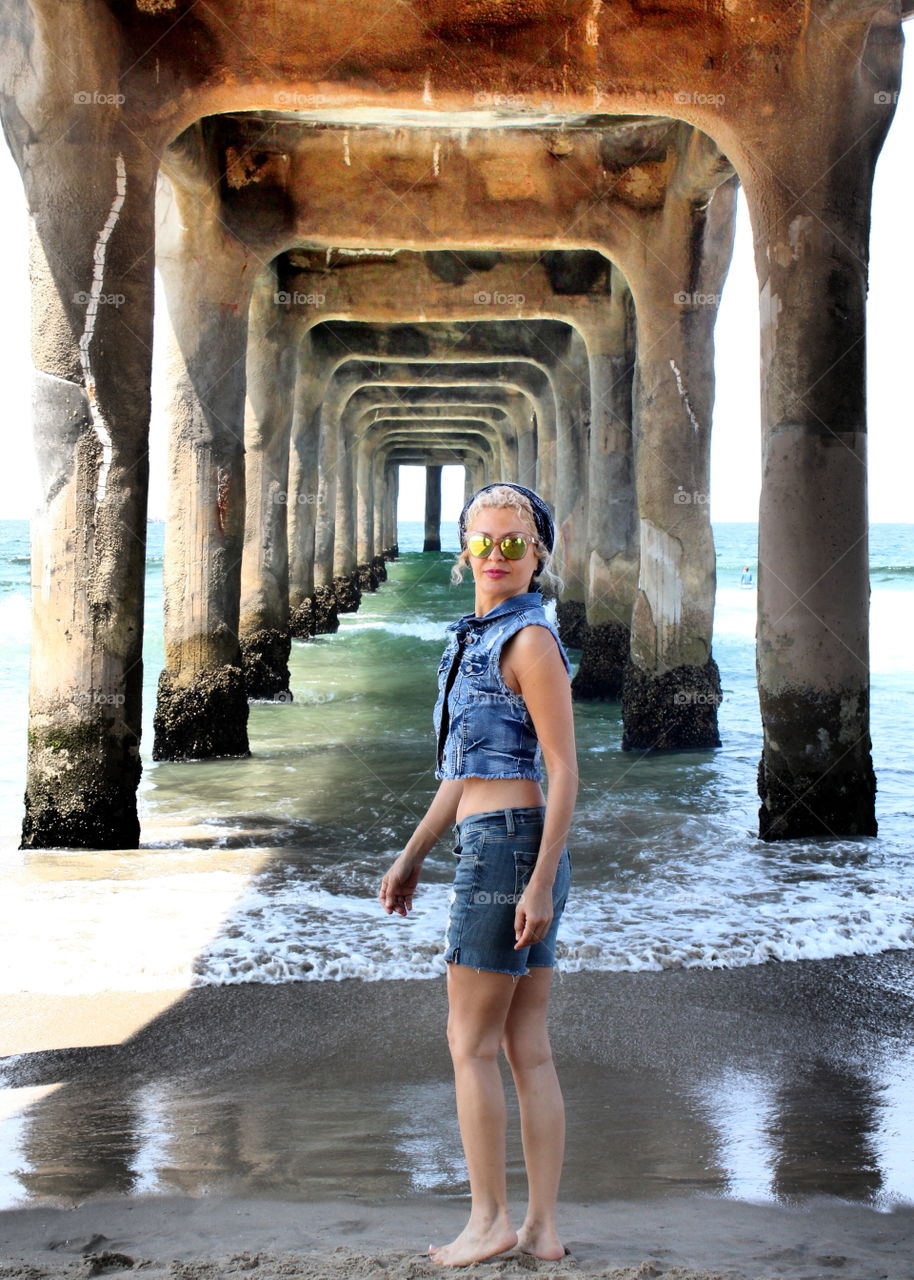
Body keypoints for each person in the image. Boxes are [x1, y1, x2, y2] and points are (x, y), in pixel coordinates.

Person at [378, 481, 578, 1268]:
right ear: (465, 551)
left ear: (538, 555)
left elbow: (563, 771)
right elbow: (467, 773)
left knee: (469, 1044)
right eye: (483, 542)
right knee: (525, 1042)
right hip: (509, 842)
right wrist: (413, 853)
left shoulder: (528, 642)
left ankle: (491, 1219)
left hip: (508, 849)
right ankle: (541, 1229)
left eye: (513, 543)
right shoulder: (484, 636)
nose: (496, 556)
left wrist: (536, 879)